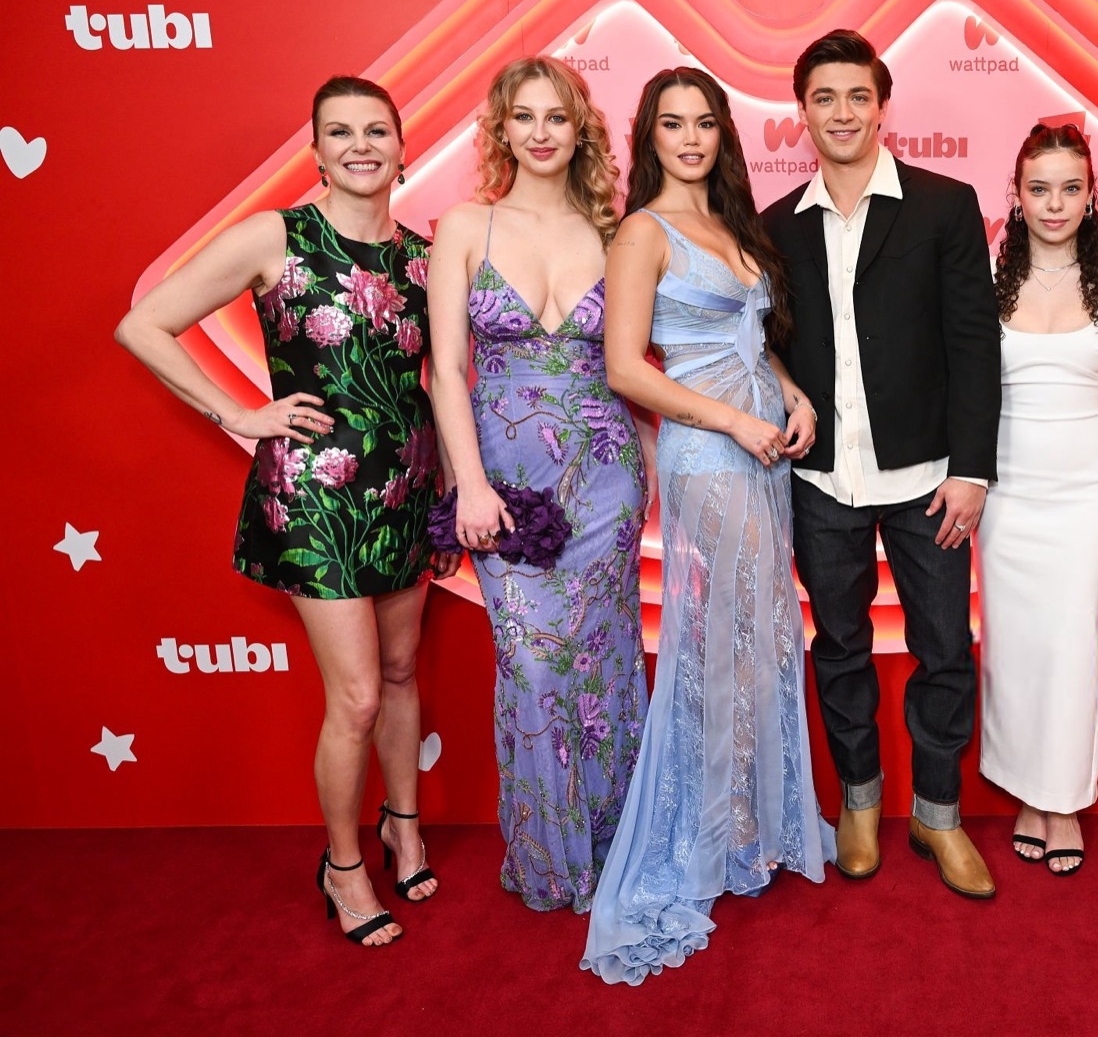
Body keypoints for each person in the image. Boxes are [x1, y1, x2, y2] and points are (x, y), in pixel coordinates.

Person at [115, 76, 448, 946]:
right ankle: (344, 866)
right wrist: (237, 412)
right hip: (314, 497)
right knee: (360, 694)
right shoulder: (279, 237)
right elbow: (143, 324)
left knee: (403, 670)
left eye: (376, 130)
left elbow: (439, 381)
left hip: (406, 488)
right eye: (340, 132)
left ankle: (403, 827)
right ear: (317, 152)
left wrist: (447, 490)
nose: (361, 145)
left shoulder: (426, 256)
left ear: (404, 148)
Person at [582, 67, 835, 985]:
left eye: (704, 123)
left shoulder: (736, 223)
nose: (690, 139)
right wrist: (731, 420)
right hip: (709, 451)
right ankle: (720, 830)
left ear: (723, 132)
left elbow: (754, 342)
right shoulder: (641, 232)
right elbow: (624, 367)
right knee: (736, 635)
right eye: (672, 124)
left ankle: (751, 817)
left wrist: (794, 393)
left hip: (766, 445)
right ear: (648, 136)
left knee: (759, 632)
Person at [763, 30, 1002, 898]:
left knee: (945, 649)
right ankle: (859, 802)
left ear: (881, 106)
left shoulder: (944, 204)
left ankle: (939, 815)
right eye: (824, 98)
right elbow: (764, 344)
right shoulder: (774, 226)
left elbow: (973, 344)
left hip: (928, 478)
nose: (842, 113)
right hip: (822, 478)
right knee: (840, 646)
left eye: (857, 96)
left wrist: (972, 468)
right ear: (802, 111)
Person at [426, 57, 649, 913]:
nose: (542, 132)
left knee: (602, 660)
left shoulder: (615, 233)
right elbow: (446, 370)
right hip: (505, 486)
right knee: (533, 663)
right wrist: (470, 486)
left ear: (580, 128)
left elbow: (651, 358)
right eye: (525, 116)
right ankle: (553, 859)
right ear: (502, 129)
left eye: (558, 116)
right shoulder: (465, 227)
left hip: (605, 482)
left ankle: (615, 845)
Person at [978, 123, 1098, 875]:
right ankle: (1027, 792)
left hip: (1083, 496)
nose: (1054, 204)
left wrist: (1088, 465)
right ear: (1017, 196)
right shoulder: (986, 279)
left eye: (1070, 188)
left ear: (1090, 196)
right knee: (1015, 650)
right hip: (1006, 494)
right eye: (1039, 189)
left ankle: (1064, 800)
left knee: (1074, 645)